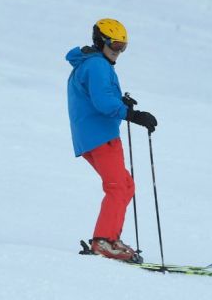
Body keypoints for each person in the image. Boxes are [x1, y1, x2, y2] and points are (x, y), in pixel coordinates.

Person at [66, 19, 157, 262]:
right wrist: (133, 115)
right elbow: (103, 103)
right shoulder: (97, 66)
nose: (118, 52)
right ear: (101, 42)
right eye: (115, 45)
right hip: (100, 136)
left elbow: (100, 96)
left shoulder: (92, 63)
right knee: (118, 187)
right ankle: (104, 242)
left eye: (123, 46)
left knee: (125, 186)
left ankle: (110, 239)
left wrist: (121, 102)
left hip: (93, 135)